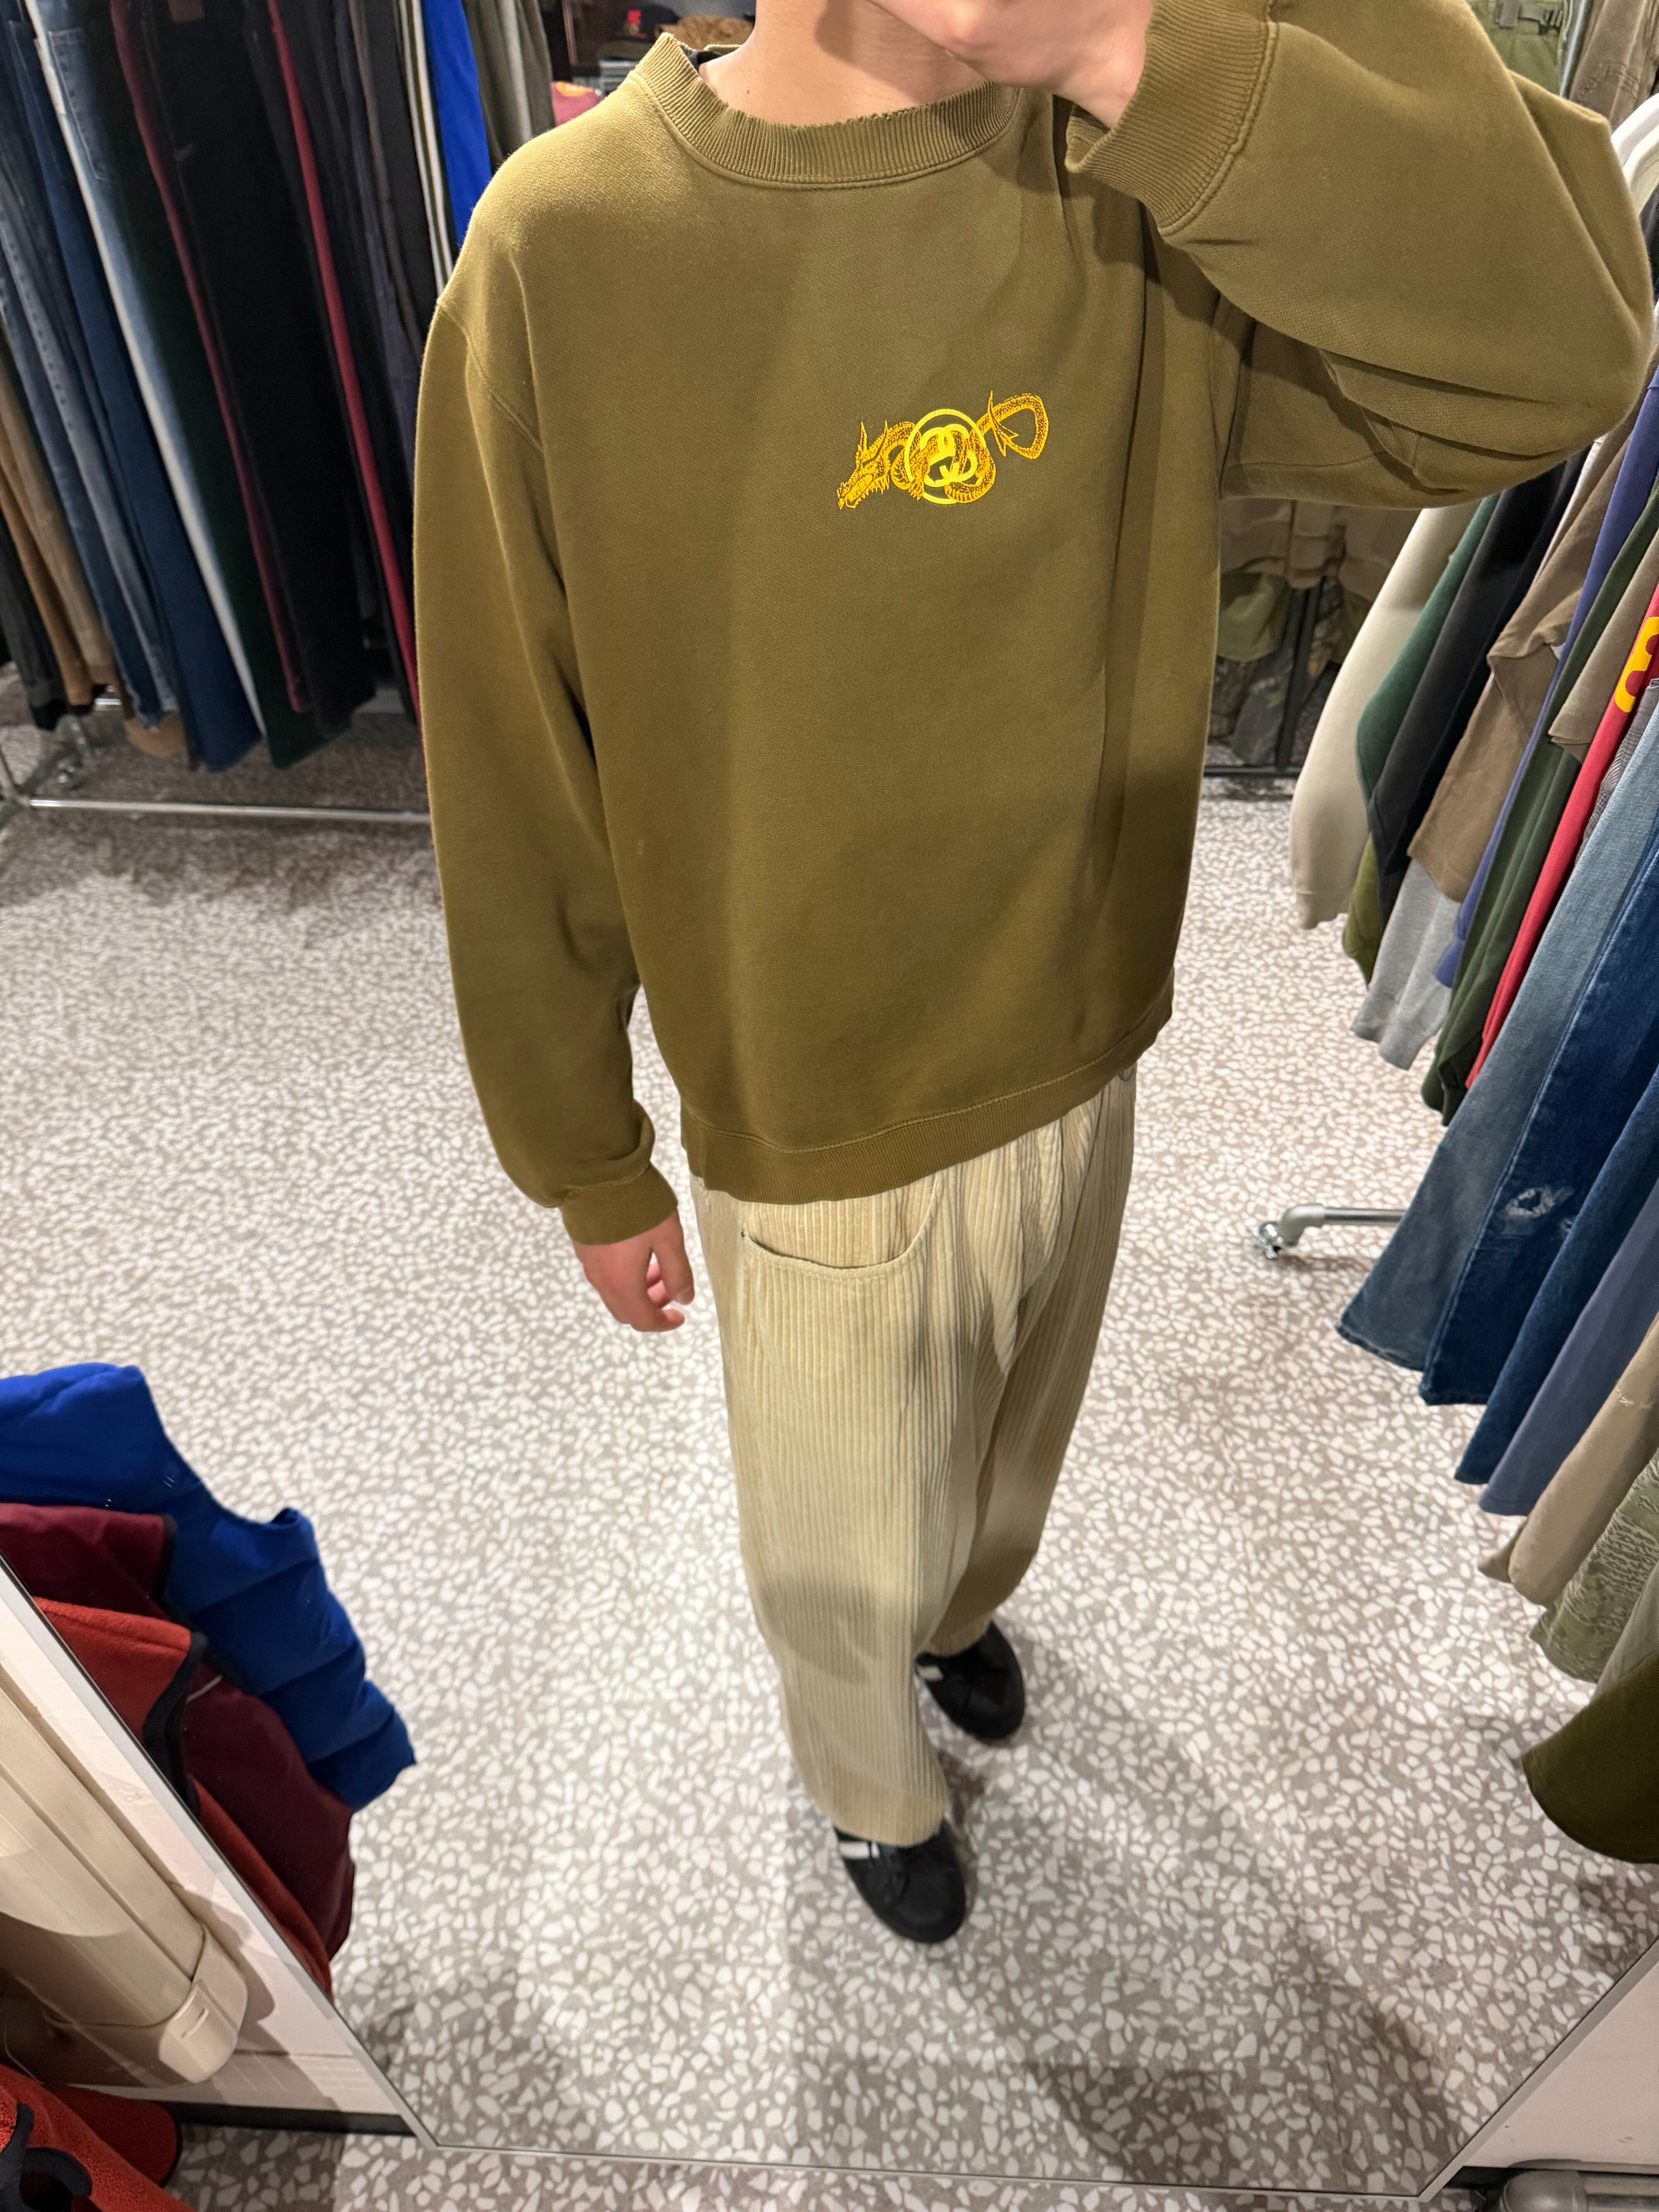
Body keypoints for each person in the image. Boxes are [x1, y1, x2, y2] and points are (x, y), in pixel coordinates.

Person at [413, 0, 1649, 1943]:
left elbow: (1560, 358)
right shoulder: (571, 243)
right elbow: (511, 752)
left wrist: (1135, 55)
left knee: (1004, 1460)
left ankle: (966, 1612)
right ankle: (866, 1784)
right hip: (808, 1101)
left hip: (1084, 1034)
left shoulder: (1131, 174)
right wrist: (583, 1151)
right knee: (837, 1544)